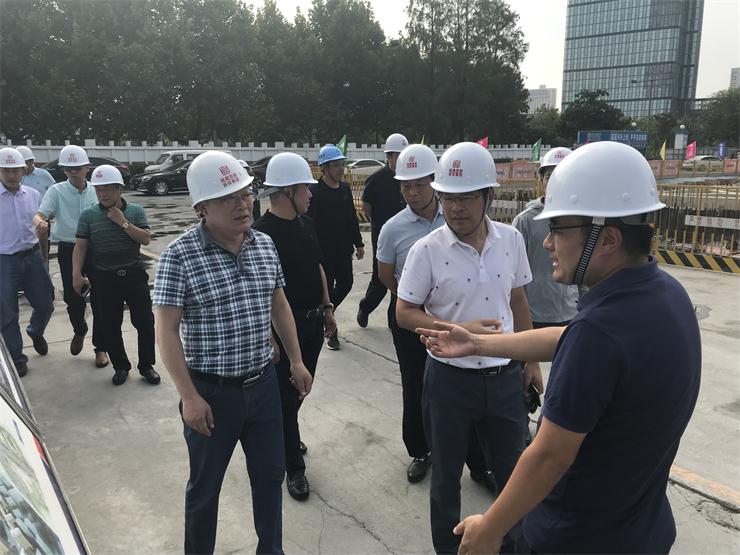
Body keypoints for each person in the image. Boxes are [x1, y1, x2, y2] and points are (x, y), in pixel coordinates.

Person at [418, 141, 701, 555]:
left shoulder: (599, 332)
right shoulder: (667, 295)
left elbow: (550, 455)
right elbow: (567, 339)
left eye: (558, 229)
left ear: (607, 239)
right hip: (642, 528)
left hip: (576, 536)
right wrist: (477, 342)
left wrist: (491, 527)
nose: (548, 244)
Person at [154, 151, 313, 555]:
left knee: (269, 479)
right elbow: (166, 332)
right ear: (202, 208)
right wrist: (189, 397)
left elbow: (279, 305)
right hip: (211, 395)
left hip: (263, 387)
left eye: (245, 194)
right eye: (228, 198)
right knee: (205, 489)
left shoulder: (264, 245)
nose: (242, 205)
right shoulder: (179, 256)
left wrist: (296, 360)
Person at [395, 142, 541, 554]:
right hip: (449, 383)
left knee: (515, 474)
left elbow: (518, 301)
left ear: (488, 196)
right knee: (445, 479)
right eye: (448, 198)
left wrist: (530, 361)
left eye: (467, 197)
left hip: (504, 378)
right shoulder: (427, 250)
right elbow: (404, 312)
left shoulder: (511, 240)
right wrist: (461, 330)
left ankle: (512, 548)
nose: (456, 208)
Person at [253, 152, 337, 501]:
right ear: (288, 191)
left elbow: (317, 266)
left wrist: (328, 307)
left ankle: (283, 434)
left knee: (301, 389)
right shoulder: (261, 235)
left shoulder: (306, 224)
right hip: (283, 331)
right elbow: (261, 293)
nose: (310, 195)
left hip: (313, 322)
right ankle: (294, 468)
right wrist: (269, 336)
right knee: (287, 398)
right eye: (305, 188)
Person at [376, 144, 443, 483]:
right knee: (415, 383)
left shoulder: (454, 218)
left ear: (434, 181)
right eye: (406, 186)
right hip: (409, 318)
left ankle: (474, 456)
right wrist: (410, 301)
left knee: (460, 384)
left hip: (452, 315)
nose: (413, 192)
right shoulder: (393, 228)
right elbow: (385, 275)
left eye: (419, 184)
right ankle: (419, 449)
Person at [72, 165, 159, 386]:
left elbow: (145, 239)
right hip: (104, 278)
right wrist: (76, 273)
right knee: (110, 324)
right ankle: (121, 366)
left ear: (120, 189)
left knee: (145, 322)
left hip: (133, 274)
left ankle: (146, 365)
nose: (103, 195)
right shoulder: (88, 215)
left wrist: (123, 222)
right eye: (99, 190)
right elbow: (80, 246)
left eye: (108, 189)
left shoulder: (135, 211)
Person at [34, 145, 109, 368]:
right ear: (64, 170)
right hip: (69, 248)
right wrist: (40, 223)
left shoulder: (97, 190)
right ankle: (80, 328)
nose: (73, 172)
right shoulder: (56, 191)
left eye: (77, 167)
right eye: (68, 168)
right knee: (72, 296)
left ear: (87, 167)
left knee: (101, 298)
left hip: (96, 248)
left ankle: (101, 347)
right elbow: (40, 214)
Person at [0, 147, 54, 377]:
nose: (11, 175)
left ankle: (35, 330)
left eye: (15, 170)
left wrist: (44, 256)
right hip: (4, 261)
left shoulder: (33, 195)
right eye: (5, 170)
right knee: (7, 312)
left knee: (45, 304)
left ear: (24, 170)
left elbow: (41, 227)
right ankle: (17, 357)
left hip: (32, 257)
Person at [512, 147, 578, 329]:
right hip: (534, 313)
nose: (556, 182)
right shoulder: (525, 221)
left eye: (563, 175)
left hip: (570, 311)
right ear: (541, 181)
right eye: (549, 176)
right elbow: (513, 272)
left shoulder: (582, 219)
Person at [307, 144, 364, 350]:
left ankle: (325, 314)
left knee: (346, 284)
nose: (341, 169)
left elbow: (351, 218)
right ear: (325, 168)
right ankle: (332, 334)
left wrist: (358, 242)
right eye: (336, 165)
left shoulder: (345, 189)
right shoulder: (314, 192)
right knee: (327, 291)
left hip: (343, 250)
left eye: (342, 164)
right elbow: (309, 225)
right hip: (323, 254)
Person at [357, 132, 408, 328]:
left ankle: (395, 320)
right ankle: (365, 307)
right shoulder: (377, 179)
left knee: (403, 278)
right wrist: (381, 224)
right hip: (383, 236)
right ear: (389, 156)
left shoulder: (409, 177)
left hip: (407, 235)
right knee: (380, 280)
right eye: (398, 156)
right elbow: (366, 208)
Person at [18, 146, 55, 261]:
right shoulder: (15, 177)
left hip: (42, 218)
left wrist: (52, 211)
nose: (26, 166)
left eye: (28, 162)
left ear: (32, 161)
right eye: (24, 163)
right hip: (22, 220)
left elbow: (54, 192)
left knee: (43, 252)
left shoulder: (44, 174)